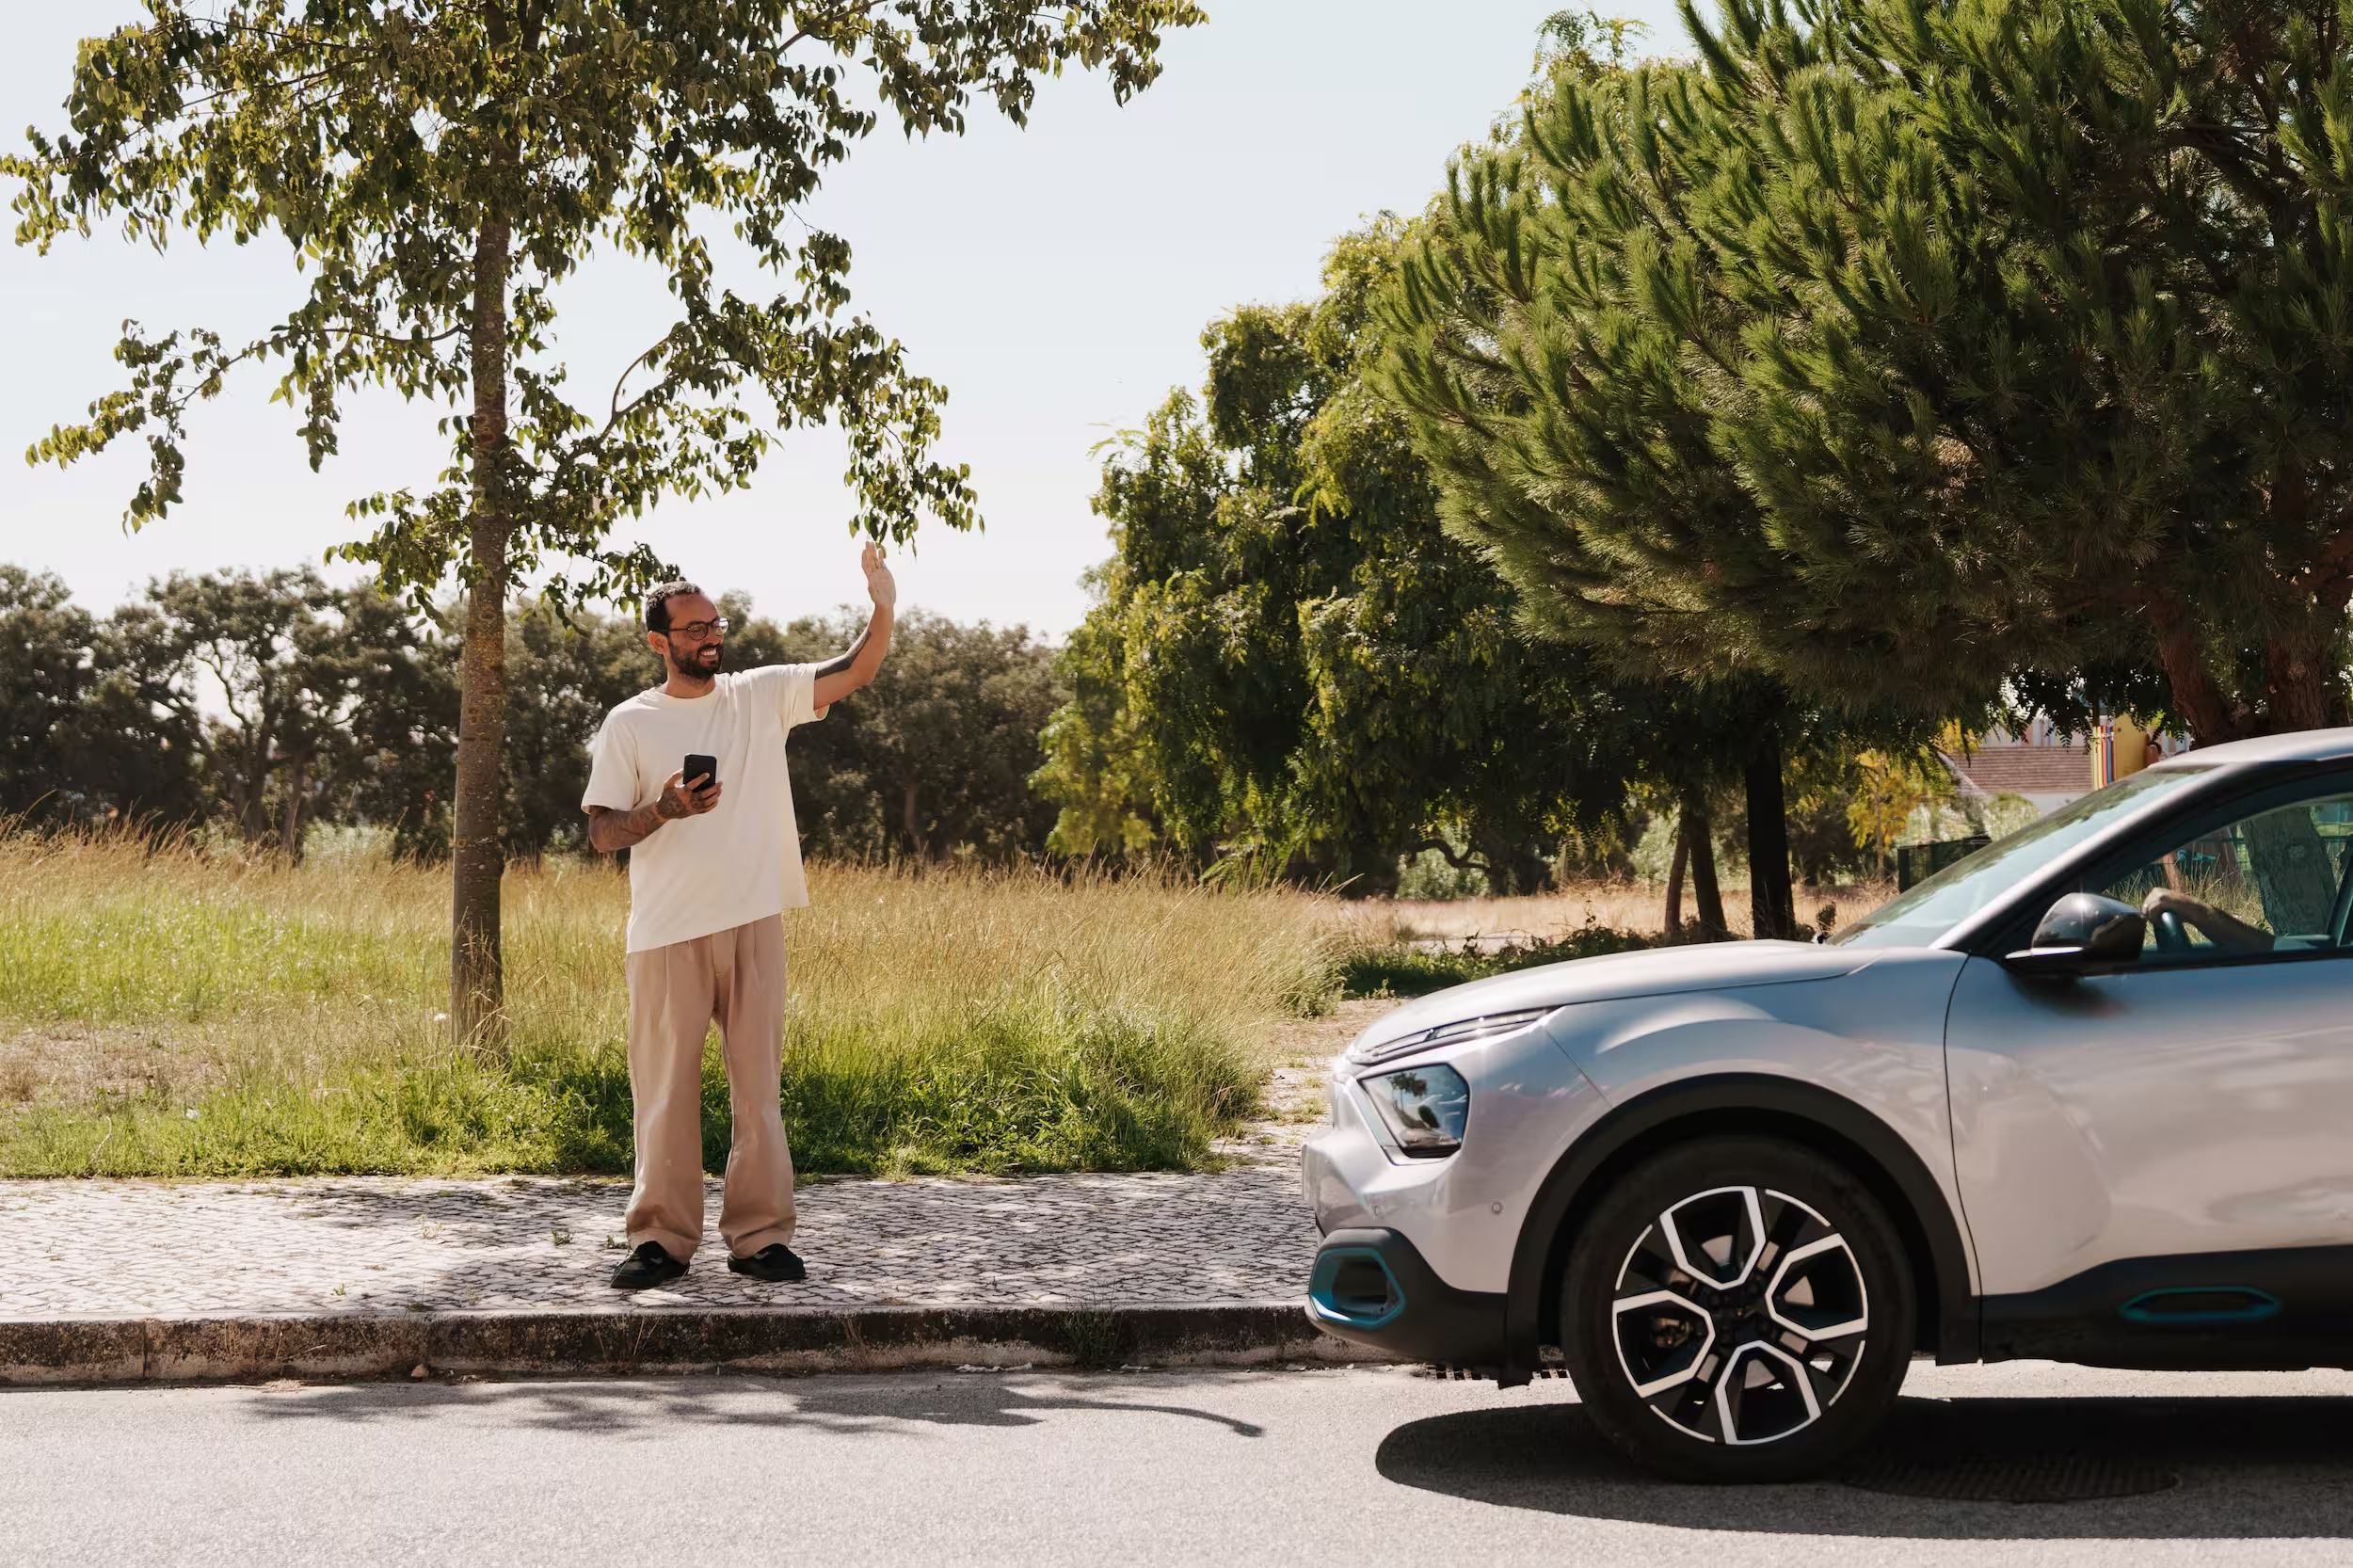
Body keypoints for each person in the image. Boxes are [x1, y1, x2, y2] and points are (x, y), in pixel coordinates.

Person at [581, 546, 896, 1290]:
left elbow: (856, 670)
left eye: (715, 623)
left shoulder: (759, 696)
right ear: (660, 642)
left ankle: (759, 1238)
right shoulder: (629, 723)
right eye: (693, 629)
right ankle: (660, 1239)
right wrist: (665, 808)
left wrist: (882, 605)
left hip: (754, 919)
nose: (710, 637)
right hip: (665, 932)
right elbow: (599, 833)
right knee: (664, 1090)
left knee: (759, 1088)